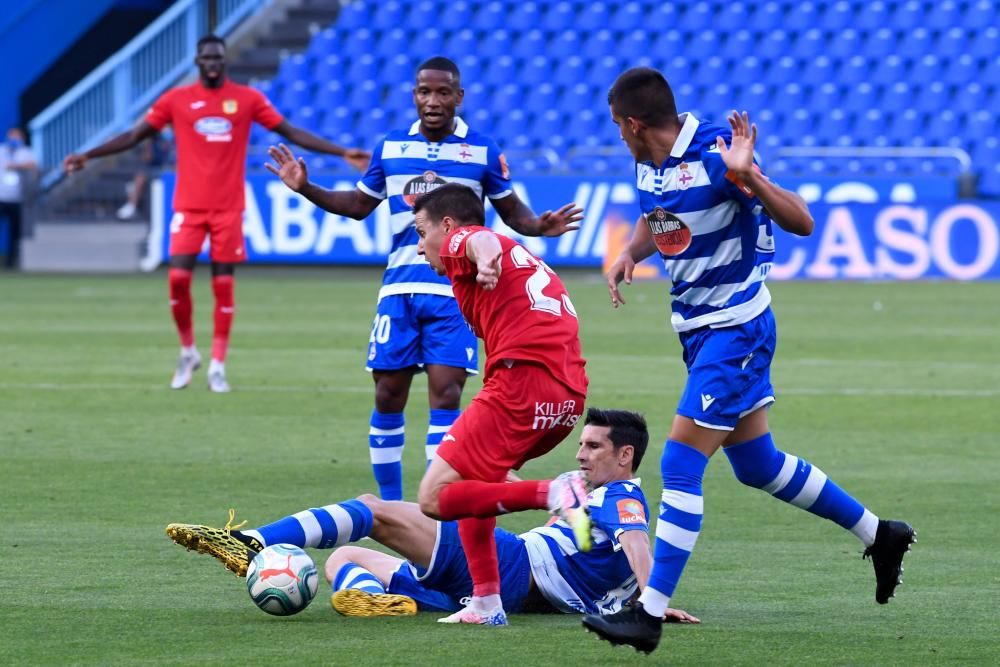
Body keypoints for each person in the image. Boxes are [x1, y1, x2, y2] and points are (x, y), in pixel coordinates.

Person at [580, 67, 916, 654]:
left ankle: (648, 614)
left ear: (633, 123)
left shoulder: (716, 154)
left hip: (736, 329)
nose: (618, 136)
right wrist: (628, 253)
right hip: (699, 330)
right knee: (757, 464)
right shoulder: (648, 161)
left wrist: (748, 178)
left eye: (616, 126)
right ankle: (880, 534)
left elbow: (802, 221)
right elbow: (656, 213)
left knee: (681, 464)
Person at [265, 56, 582, 500]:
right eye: (423, 92)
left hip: (455, 292)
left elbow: (513, 213)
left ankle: (437, 499)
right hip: (398, 289)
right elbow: (358, 207)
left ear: (459, 97)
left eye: (442, 92)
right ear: (414, 95)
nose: (432, 101)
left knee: (447, 392)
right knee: (388, 394)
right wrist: (307, 188)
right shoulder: (391, 148)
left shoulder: (483, 151)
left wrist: (538, 226)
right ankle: (395, 506)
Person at [165, 407, 700, 625]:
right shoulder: (592, 498)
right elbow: (604, 548)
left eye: (593, 448)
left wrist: (654, 604)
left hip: (514, 566)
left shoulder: (622, 496)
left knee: (372, 509)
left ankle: (249, 541)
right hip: (516, 589)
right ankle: (384, 601)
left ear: (625, 456)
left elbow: (635, 543)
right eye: (580, 445)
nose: (581, 455)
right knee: (345, 557)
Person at [62, 34, 369, 393]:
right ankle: (189, 351)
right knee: (177, 279)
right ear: (198, 62)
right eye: (206, 57)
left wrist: (340, 152)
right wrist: (89, 156)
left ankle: (218, 365)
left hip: (227, 207)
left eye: (218, 58)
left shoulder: (246, 99)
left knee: (223, 284)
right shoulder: (176, 100)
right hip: (189, 206)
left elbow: (291, 132)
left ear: (224, 62)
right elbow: (134, 135)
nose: (212, 63)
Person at [396, 183, 589, 627]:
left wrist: (484, 256)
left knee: (434, 498)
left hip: (521, 387)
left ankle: (556, 492)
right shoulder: (521, 259)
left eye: (421, 231)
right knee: (475, 485)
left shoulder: (467, 241)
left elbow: (479, 240)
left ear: (446, 226)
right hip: (565, 398)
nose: (420, 243)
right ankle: (486, 601)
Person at [0, 127, 39, 269]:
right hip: (1, 197)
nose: (14, 139)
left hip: (17, 199)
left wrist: (16, 165)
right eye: (12, 136)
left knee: (14, 233)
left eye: (17, 136)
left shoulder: (26, 153)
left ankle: (10, 263)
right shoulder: (1, 151)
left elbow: (33, 165)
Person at [116, 132, 170, 220]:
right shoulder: (150, 141)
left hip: (162, 168)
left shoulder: (162, 140)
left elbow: (150, 158)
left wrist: (149, 146)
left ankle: (132, 205)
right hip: (151, 168)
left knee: (140, 177)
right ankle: (131, 205)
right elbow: (146, 158)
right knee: (133, 180)